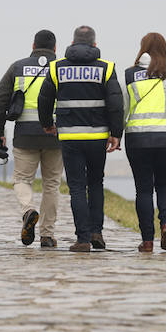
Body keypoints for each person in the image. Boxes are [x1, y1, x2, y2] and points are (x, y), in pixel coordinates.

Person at [38, 25, 123, 252]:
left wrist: (47, 124)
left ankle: (83, 239)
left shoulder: (57, 68)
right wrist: (116, 133)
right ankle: (97, 232)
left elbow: (44, 99)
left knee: (76, 187)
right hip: (98, 137)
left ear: (73, 43)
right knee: (96, 184)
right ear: (95, 45)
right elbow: (115, 104)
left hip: (70, 137)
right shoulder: (106, 68)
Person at [122, 32, 166, 253]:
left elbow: (122, 109)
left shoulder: (129, 76)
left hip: (138, 139)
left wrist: (115, 133)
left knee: (143, 190)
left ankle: (147, 242)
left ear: (142, 49)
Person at [0, 29, 63, 247]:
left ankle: (28, 210)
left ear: (33, 46)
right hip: (55, 135)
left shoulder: (17, 67)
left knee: (22, 180)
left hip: (25, 135)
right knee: (52, 184)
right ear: (55, 49)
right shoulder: (61, 67)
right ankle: (47, 235)